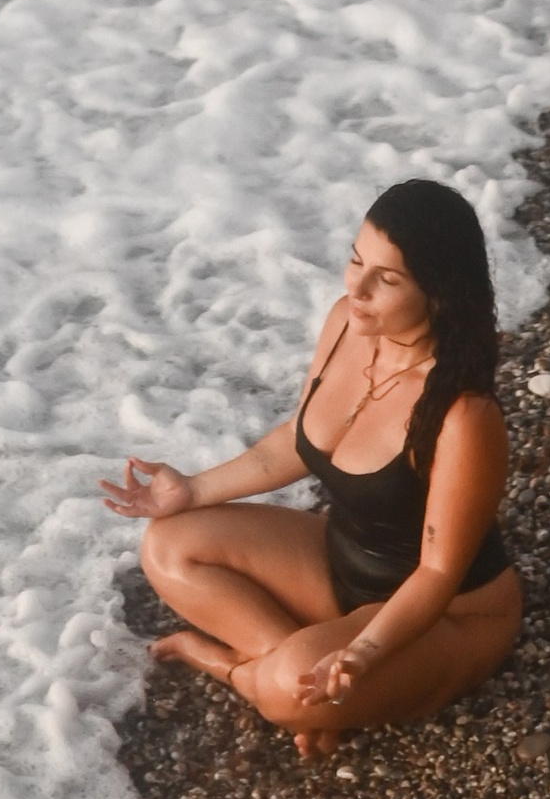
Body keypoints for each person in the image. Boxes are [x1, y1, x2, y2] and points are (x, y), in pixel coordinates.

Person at [102, 178, 521, 755]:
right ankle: (301, 678)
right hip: (339, 565)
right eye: (356, 260)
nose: (358, 286)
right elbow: (295, 444)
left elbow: (436, 575)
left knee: (285, 691)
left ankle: (237, 668)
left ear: (440, 295)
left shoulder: (463, 415)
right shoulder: (346, 323)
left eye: (388, 279)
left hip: (447, 618)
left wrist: (361, 654)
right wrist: (191, 490)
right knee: (168, 543)